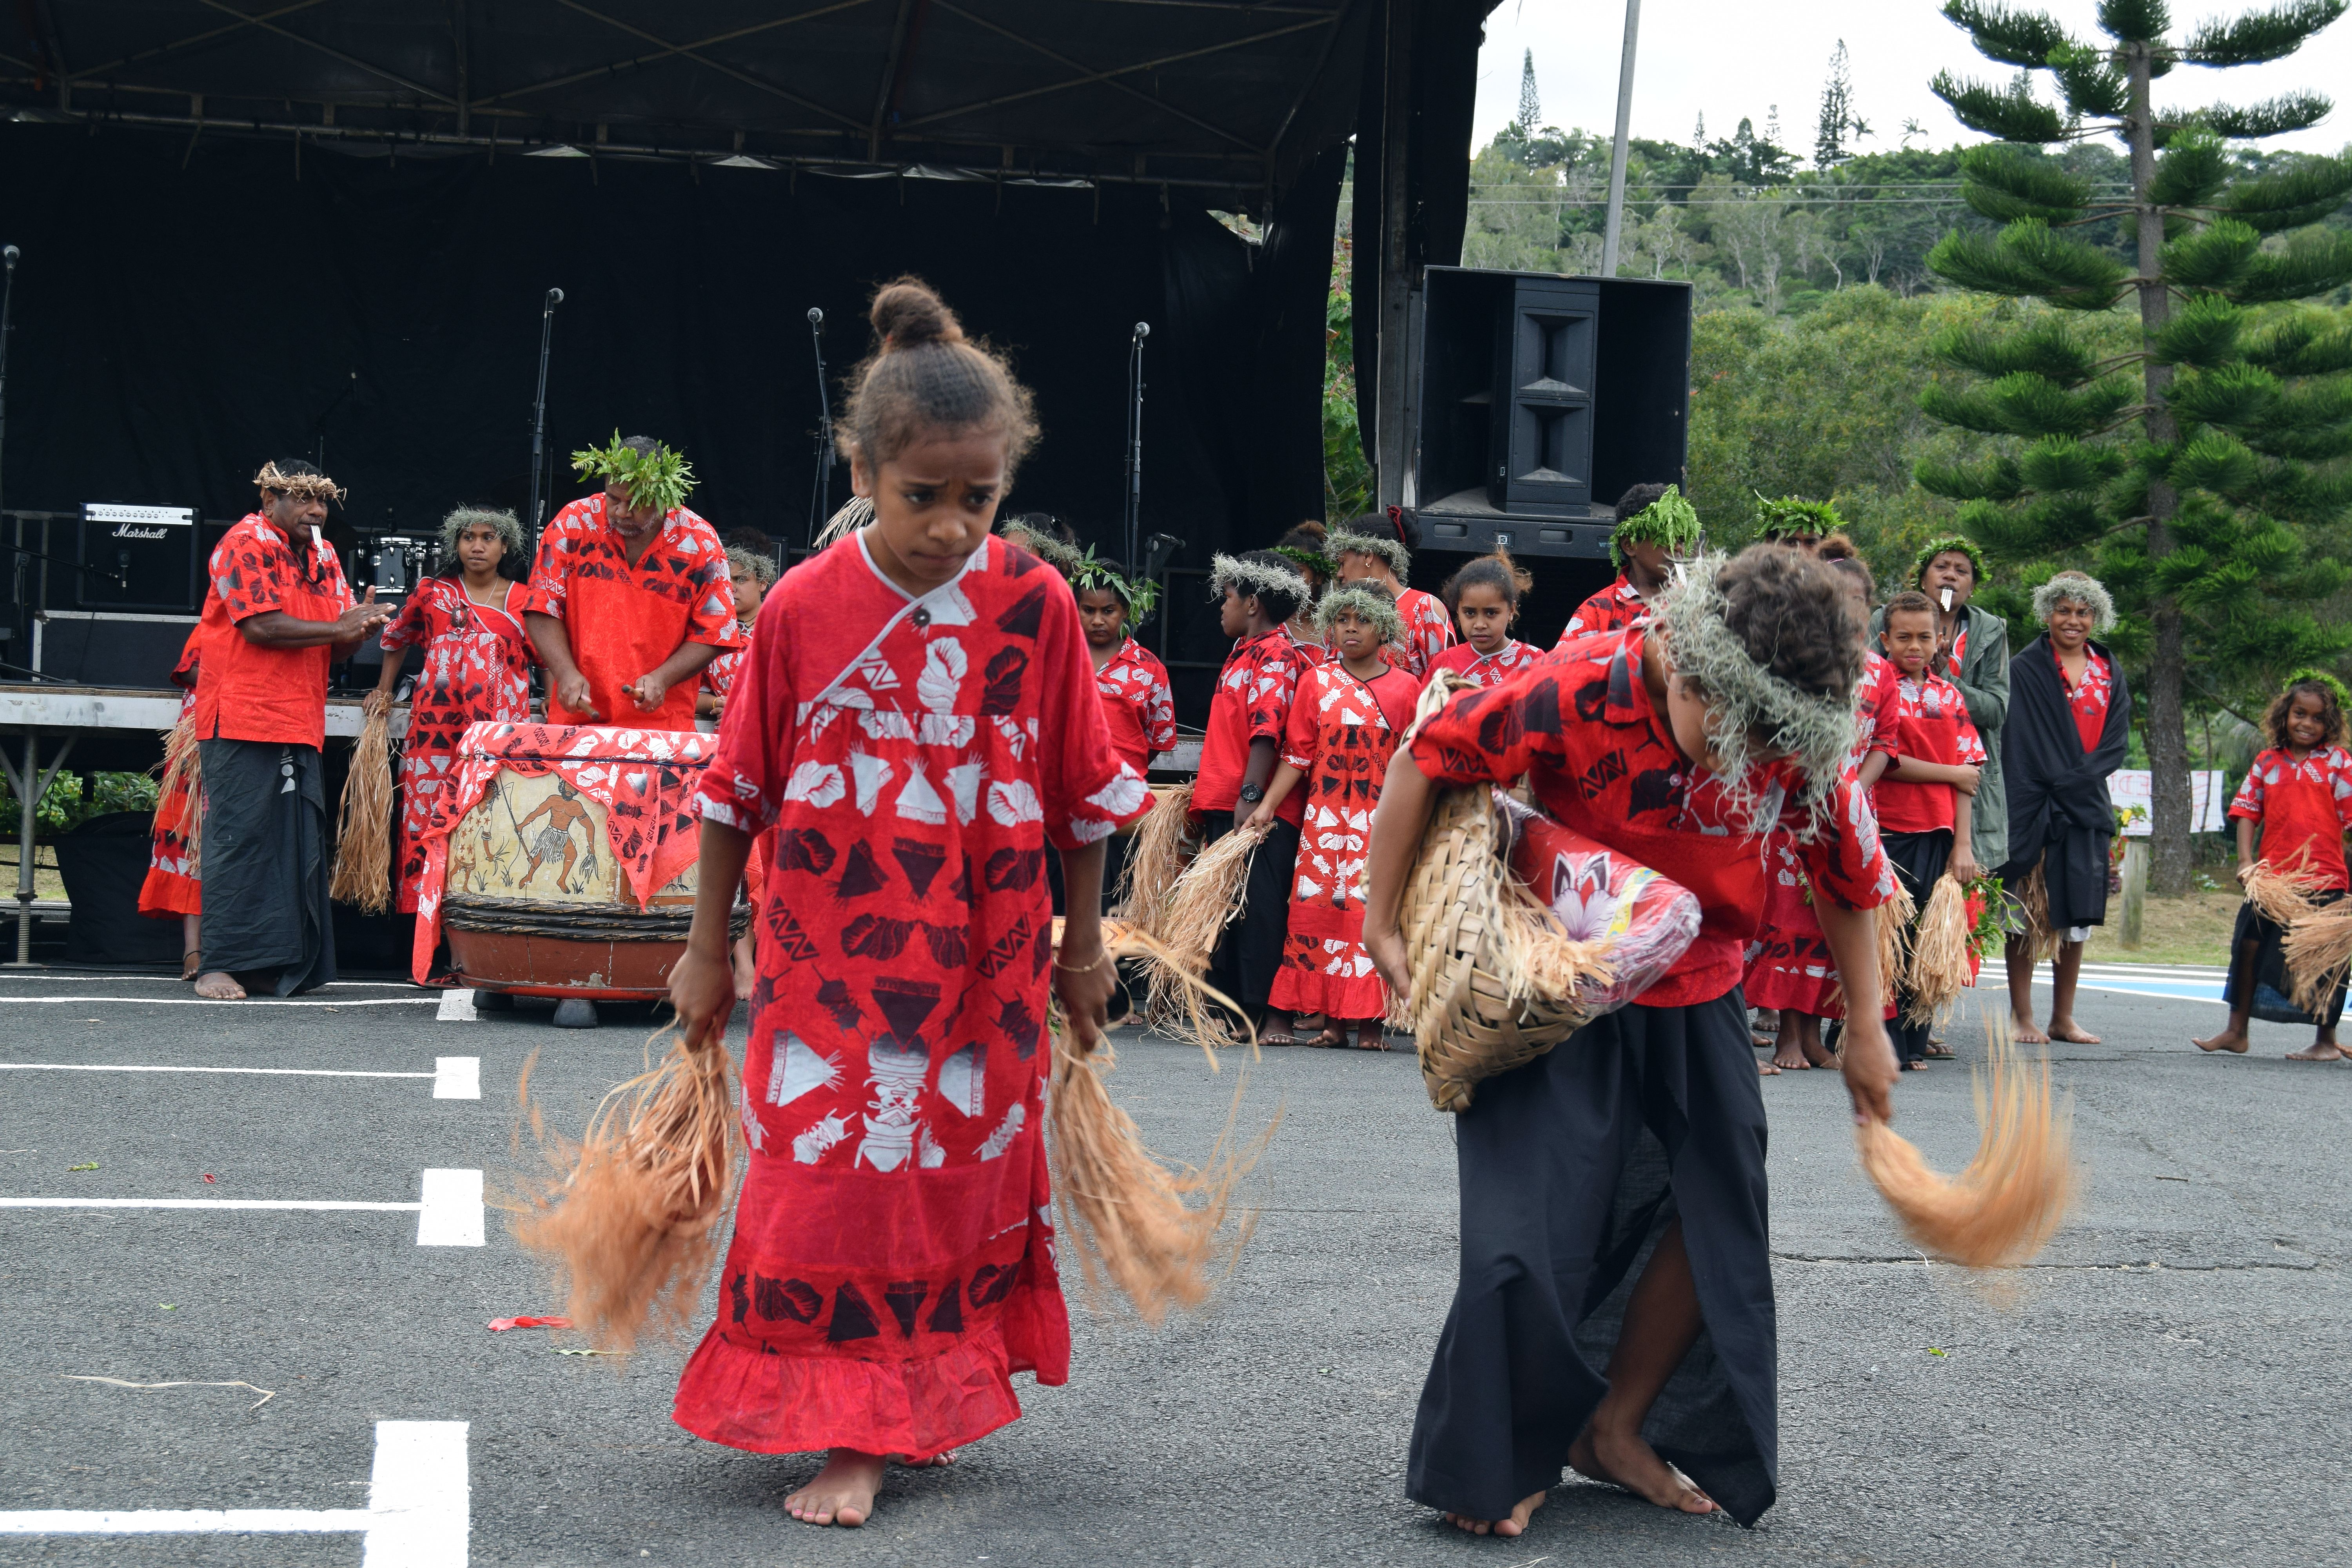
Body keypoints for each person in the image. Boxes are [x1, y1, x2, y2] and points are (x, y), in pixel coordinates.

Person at [666, 278, 1151, 1530]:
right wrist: (703, 953)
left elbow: (1079, 800)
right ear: (863, 472)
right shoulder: (798, 608)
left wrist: (1084, 947)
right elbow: (735, 796)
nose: (949, 527)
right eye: (920, 498)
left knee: (947, 1177)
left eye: (976, 499)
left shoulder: (1035, 607)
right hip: (821, 964)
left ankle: (893, 1411)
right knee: (828, 1174)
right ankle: (852, 1419)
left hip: (984, 964)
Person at [1361, 544, 1899, 1537]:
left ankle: (1614, 1424)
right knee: (1526, 1233)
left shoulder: (1799, 723)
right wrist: (1380, 920)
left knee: (1720, 1211)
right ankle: (1503, 1458)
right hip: (1562, 985)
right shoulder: (1574, 686)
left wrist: (1864, 1025)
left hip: (1702, 987)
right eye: (1725, 727)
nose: (1749, 753)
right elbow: (1426, 757)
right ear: (1688, 666)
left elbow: (1847, 878)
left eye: (1768, 738)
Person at [190, 461, 392, 1001]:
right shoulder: (244, 542)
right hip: (241, 714)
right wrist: (339, 626)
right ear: (269, 499)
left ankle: (270, 962)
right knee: (239, 841)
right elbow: (259, 626)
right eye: (302, 499)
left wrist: (359, 628)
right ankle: (217, 965)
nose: (316, 511)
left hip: (298, 716)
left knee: (292, 847)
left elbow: (335, 642)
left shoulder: (324, 554)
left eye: (322, 501)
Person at [1251, 581, 1419, 1049]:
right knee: (1318, 914)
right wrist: (1266, 806)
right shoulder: (1317, 681)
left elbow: (1415, 761)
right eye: (1342, 620)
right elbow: (1298, 754)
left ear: (1384, 626)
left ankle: (1370, 1027)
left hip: (1380, 824)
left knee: (1371, 913)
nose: (1350, 629)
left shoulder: (1409, 688)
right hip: (1322, 823)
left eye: (1362, 620)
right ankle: (1331, 1023)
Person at [1747, 554, 1896, 1073]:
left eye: (1857, 601)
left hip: (1846, 808)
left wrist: (1849, 791)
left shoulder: (1881, 672)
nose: (1847, 611)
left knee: (1825, 927)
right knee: (1786, 921)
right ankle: (1787, 1035)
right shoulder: (1788, 663)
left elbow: (1885, 742)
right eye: (1835, 599)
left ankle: (1814, 1038)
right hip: (1788, 814)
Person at [365, 507, 542, 915]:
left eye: (488, 537)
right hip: (435, 729)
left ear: (505, 545)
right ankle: (425, 923)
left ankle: (483, 923)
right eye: (468, 537)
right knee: (428, 817)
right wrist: (384, 690)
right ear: (455, 544)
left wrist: (552, 703)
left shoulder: (525, 599)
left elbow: (547, 660)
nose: (477, 546)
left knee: (492, 817)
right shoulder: (432, 593)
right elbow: (396, 637)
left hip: (496, 733)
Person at [525, 433, 737, 732]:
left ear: (666, 497)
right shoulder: (573, 523)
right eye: (614, 499)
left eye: (637, 502)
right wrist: (565, 672)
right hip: (578, 722)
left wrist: (663, 677)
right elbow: (540, 606)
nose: (622, 512)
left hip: (662, 727)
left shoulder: (700, 542)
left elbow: (715, 631)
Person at [1996, 571, 2130, 1045]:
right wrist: (2054, 782)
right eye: (2064, 610)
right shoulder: (2026, 668)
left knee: (2074, 913)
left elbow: (2116, 743)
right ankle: (2023, 1015)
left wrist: (2076, 781)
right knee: (2025, 913)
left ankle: (2064, 1017)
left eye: (2083, 612)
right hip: (2033, 801)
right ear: (2047, 613)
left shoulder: (2109, 669)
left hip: (2085, 802)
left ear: (2097, 617)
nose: (2073, 620)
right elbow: (2018, 740)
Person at [2196, 671, 2352, 1061]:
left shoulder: (2339, 764)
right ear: (2285, 714)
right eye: (2300, 713)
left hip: (2325, 877)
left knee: (2325, 958)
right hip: (2272, 881)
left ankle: (2326, 1041)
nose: (2307, 723)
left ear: (2329, 724)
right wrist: (2246, 861)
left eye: (2318, 718)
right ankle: (2237, 1030)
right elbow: (2248, 811)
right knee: (2247, 946)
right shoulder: (2267, 762)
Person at [1194, 550, 1313, 1035]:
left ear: (1253, 602)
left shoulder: (1277, 654)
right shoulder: (1244, 650)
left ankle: (1258, 1011)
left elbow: (1268, 728)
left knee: (1257, 907)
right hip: (1228, 799)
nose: (1221, 608)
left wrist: (1251, 794)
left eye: (1227, 598)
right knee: (1228, 909)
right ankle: (1230, 1010)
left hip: (1259, 807)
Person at [1869, 590, 1985, 1069]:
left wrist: (1963, 845)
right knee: (1887, 937)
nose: (1914, 646)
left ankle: (1916, 1037)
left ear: (1942, 639)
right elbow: (1886, 761)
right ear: (1885, 639)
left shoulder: (1950, 694)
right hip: (1891, 830)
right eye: (1903, 637)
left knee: (1924, 934)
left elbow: (1970, 775)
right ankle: (1881, 1039)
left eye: (1925, 636)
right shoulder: (1879, 686)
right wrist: (1951, 773)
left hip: (1940, 832)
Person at [1872, 536, 2010, 896]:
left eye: (1961, 571)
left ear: (1973, 585)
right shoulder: (1879, 675)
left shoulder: (1988, 633)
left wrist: (1944, 676)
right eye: (1941, 567)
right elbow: (1879, 748)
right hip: (1886, 818)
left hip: (1944, 816)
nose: (1950, 577)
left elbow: (1996, 711)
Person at [138, 629, 205, 978]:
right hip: (200, 736)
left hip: (255, 728)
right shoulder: (217, 619)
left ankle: (239, 948)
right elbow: (190, 670)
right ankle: (192, 950)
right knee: (190, 842)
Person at [1559, 483, 1700, 644]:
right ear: (1630, 545)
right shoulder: (1597, 612)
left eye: (1681, 540)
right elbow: (1563, 668)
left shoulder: (1697, 605)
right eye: (1666, 539)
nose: (1677, 547)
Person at [1327, 514, 1453, 675]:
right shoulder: (1343, 612)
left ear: (1367, 556)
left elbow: (1444, 682)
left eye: (1343, 563)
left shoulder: (1423, 608)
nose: (1340, 574)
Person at [1425, 547, 1539, 689]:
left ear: (1511, 611)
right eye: (1470, 613)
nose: (1480, 625)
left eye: (1491, 613)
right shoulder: (1444, 663)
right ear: (1458, 611)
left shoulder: (1533, 660)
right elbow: (1429, 710)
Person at [697, 547, 773, 720]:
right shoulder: (708, 633)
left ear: (763, 583)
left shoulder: (781, 628)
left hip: (773, 730)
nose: (730, 587)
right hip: (727, 735)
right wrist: (720, 704)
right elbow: (691, 694)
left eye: (740, 580)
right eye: (724, 580)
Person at [1269, 522, 1335, 666]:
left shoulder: (1337, 632)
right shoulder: (1266, 628)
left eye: (1298, 572)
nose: (1289, 579)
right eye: (1284, 571)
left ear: (1319, 577)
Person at [1752, 494, 1838, 554]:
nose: (1801, 552)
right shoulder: (1750, 578)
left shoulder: (1836, 579)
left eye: (1811, 544)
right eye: (1790, 543)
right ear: (1769, 544)